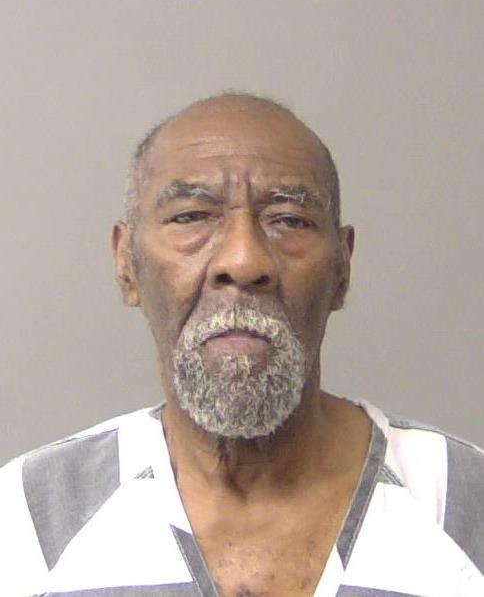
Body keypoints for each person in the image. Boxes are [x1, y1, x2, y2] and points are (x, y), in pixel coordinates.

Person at [1, 94, 483, 597]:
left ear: (342, 268)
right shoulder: (27, 521)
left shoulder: (466, 507)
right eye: (192, 216)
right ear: (127, 264)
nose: (243, 259)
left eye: (289, 219)